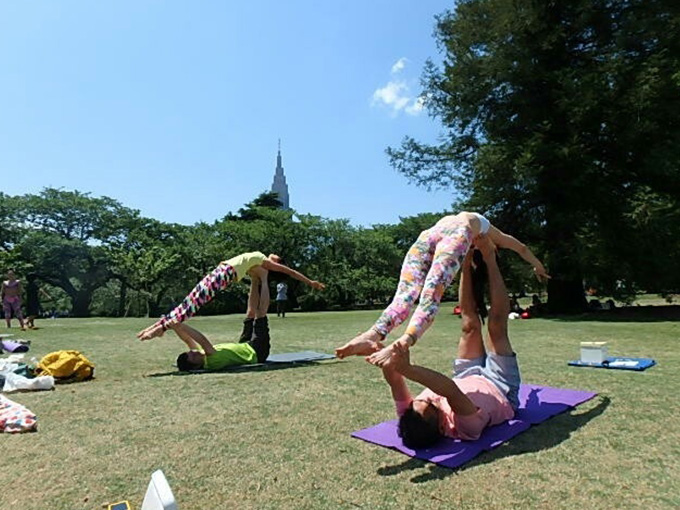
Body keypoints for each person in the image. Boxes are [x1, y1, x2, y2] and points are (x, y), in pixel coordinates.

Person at [335, 212, 548, 364]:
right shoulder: (490, 233)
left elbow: (521, 248)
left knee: (404, 296)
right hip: (454, 234)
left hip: (427, 235)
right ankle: (404, 342)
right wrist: (538, 265)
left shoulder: (471, 225)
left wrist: (537, 264)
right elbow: (520, 247)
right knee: (430, 295)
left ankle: (372, 335)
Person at [369, 235, 521, 447]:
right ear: (442, 426)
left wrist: (387, 360)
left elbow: (394, 380)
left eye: (417, 402)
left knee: (469, 325)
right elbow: (449, 390)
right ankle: (489, 258)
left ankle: (467, 260)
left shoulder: (411, 415)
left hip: (466, 376)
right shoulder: (466, 427)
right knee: (496, 327)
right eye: (428, 404)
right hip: (499, 387)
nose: (423, 399)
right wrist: (408, 369)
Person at [137, 251, 325, 340]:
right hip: (220, 271)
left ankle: (159, 329)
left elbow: (291, 272)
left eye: (277, 258)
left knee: (192, 305)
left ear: (276, 263)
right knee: (188, 301)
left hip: (224, 275)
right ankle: (157, 326)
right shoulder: (259, 260)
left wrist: (311, 283)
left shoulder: (266, 263)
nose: (274, 254)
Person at [169, 267, 272, 371]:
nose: (193, 352)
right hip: (256, 352)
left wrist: (175, 327)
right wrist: (181, 325)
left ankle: (254, 279)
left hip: (245, 346)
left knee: (250, 314)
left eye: (190, 352)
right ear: (197, 365)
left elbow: (187, 339)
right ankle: (264, 278)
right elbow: (202, 340)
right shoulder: (211, 360)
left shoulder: (202, 355)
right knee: (260, 314)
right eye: (193, 356)